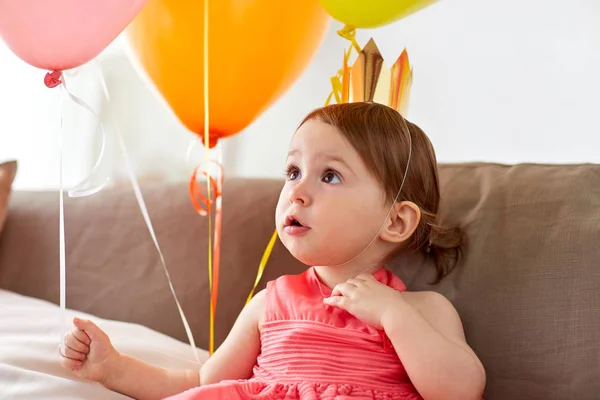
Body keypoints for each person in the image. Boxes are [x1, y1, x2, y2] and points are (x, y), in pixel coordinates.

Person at [59, 102, 486, 400]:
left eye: (330, 176)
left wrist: (393, 315)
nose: (297, 191)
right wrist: (114, 368)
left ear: (395, 221)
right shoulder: (269, 305)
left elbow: (461, 390)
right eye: (293, 170)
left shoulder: (422, 311)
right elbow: (202, 381)